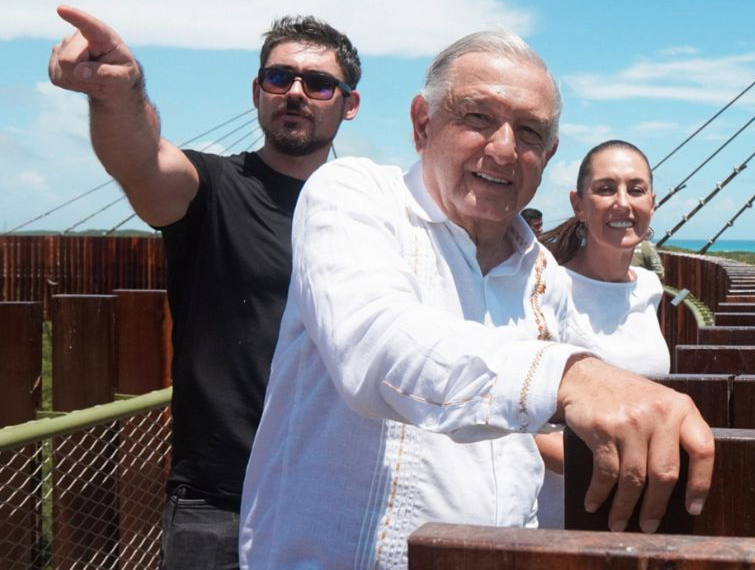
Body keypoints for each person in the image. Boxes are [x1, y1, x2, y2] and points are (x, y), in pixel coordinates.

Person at [239, 31, 713, 568]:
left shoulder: (543, 277)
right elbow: (378, 347)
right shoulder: (352, 197)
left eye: (529, 131)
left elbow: (526, 446)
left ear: (548, 155)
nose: (505, 148)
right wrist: (572, 376)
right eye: (477, 117)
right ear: (423, 124)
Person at [47, 5, 361, 569]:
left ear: (349, 103)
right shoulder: (212, 189)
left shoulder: (371, 218)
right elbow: (141, 160)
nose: (295, 92)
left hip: (334, 503)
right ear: (256, 91)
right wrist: (120, 92)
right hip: (218, 509)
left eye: (317, 84)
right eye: (278, 77)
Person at [535, 140, 670, 528]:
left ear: (653, 202)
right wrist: (624, 464)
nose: (623, 203)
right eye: (606, 188)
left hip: (638, 512)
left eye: (636, 189)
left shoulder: (649, 287)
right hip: (568, 515)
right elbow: (525, 431)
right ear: (579, 204)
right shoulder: (548, 289)